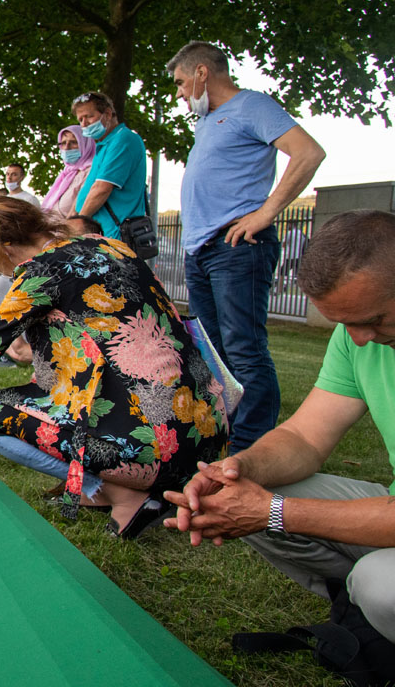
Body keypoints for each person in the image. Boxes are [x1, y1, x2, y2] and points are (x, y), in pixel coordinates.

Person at [0, 196, 229, 538]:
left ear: (6, 247)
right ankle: (115, 485)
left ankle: (124, 494)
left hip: (158, 445)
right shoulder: (107, 244)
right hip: (207, 430)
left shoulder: (37, 274)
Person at [164, 210, 395, 641]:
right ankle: (361, 613)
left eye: (374, 320)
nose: (360, 338)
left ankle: (371, 603)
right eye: (346, 324)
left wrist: (272, 511)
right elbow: (304, 436)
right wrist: (236, 471)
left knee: (382, 587)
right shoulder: (355, 338)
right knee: (239, 493)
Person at [168, 40, 327, 450]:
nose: (181, 94)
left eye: (182, 83)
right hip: (201, 250)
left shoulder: (252, 105)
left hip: (236, 247)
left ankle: (252, 450)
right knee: (214, 355)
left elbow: (308, 153)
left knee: (244, 352)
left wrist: (266, 212)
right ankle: (224, 439)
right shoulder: (208, 121)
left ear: (202, 72)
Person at [70, 91, 147, 239]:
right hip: (101, 233)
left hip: (114, 235)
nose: (84, 124)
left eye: (89, 116)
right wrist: (70, 220)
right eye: (80, 120)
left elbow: (101, 189)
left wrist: (78, 225)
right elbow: (89, 188)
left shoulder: (123, 139)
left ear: (107, 114)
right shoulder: (104, 145)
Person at [41, 125, 95, 219]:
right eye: (63, 143)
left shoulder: (91, 171)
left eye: (73, 142)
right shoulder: (66, 174)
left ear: (85, 144)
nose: (66, 147)